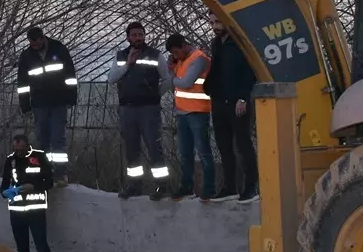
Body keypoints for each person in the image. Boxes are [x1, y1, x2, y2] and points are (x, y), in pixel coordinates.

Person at [107, 21, 171, 200]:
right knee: (131, 149)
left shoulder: (155, 55)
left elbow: (167, 79)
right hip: (127, 109)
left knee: (154, 146)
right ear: (128, 37)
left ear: (145, 36)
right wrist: (128, 64)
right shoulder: (120, 56)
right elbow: (111, 79)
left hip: (148, 109)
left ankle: (161, 186)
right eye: (134, 35)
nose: (137, 38)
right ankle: (135, 185)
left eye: (140, 35)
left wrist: (155, 95)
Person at [202, 12, 259, 203]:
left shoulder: (241, 43)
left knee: (243, 145)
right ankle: (230, 187)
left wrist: (243, 98)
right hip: (219, 101)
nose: (214, 26)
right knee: (224, 146)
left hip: (237, 102)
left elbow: (250, 71)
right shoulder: (217, 43)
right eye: (211, 22)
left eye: (218, 21)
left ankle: (251, 187)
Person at [16, 26, 77, 187]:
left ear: (43, 38)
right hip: (39, 104)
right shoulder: (27, 56)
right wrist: (25, 106)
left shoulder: (58, 48)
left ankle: (60, 174)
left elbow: (70, 75)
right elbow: (22, 84)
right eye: (32, 44)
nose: (35, 46)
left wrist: (71, 97)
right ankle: (45, 172)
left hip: (58, 102)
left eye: (37, 42)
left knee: (57, 138)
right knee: (43, 140)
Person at [164, 33, 215, 200]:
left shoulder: (198, 58)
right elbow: (177, 83)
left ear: (184, 46)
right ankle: (186, 187)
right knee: (185, 153)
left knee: (203, 152)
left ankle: (209, 189)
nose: (175, 56)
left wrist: (173, 78)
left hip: (198, 112)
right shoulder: (180, 61)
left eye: (177, 52)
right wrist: (173, 73)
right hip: (182, 112)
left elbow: (186, 82)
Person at [0, 133, 57, 252]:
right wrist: (7, 192)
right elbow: (3, 186)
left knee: (41, 246)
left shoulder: (39, 156)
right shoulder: (10, 160)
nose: (19, 152)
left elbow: (49, 181)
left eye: (21, 149)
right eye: (16, 149)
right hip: (16, 210)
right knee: (22, 248)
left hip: (36, 209)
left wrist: (33, 186)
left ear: (27, 145)